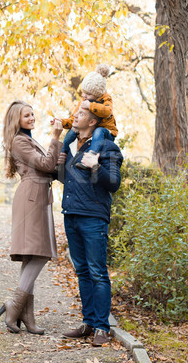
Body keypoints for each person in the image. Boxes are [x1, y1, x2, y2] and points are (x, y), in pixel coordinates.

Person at [56, 105, 123, 347]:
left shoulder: (107, 147)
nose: (75, 117)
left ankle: (102, 328)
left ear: (93, 122)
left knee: (97, 272)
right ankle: (88, 322)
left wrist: (96, 165)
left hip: (93, 217)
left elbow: (113, 183)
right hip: (71, 214)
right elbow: (65, 179)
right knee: (82, 271)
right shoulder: (72, 145)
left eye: (81, 115)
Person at [0, 100, 63, 335]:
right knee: (41, 253)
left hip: (38, 196)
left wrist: (57, 157)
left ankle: (27, 315)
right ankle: (14, 305)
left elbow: (48, 166)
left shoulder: (29, 140)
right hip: (31, 198)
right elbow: (45, 164)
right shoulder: (19, 141)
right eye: (27, 116)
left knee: (32, 255)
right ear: (17, 119)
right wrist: (56, 137)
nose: (32, 118)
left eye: (33, 114)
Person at [58, 64, 118, 170]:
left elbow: (107, 111)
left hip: (107, 132)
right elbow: (74, 118)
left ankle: (90, 157)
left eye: (88, 94)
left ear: (98, 94)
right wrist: (62, 122)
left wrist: (91, 105)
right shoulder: (84, 100)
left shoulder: (105, 99)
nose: (84, 96)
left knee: (98, 131)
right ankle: (62, 156)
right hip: (92, 129)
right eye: (83, 92)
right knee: (72, 131)